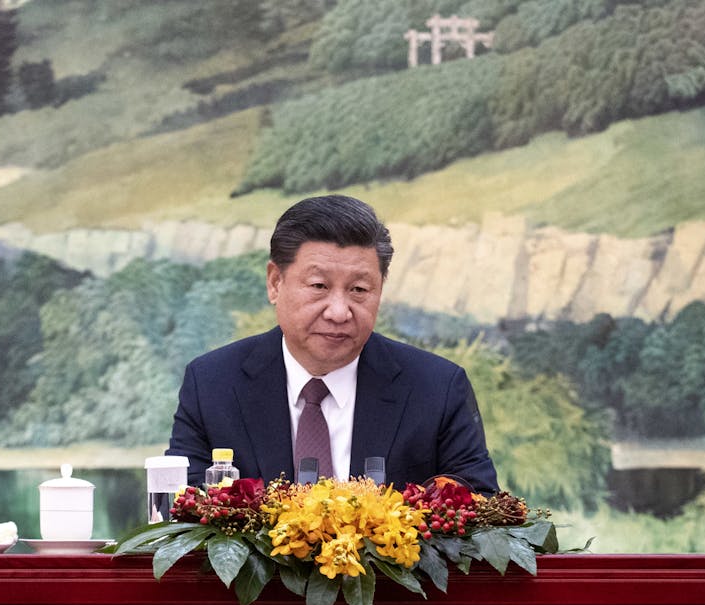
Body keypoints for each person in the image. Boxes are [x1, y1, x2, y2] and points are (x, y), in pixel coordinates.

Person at [167, 194, 499, 492]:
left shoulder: (437, 388)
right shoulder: (212, 384)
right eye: (318, 285)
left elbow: (480, 515)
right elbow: (183, 518)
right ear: (274, 283)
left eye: (358, 290)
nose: (339, 312)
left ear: (380, 290)